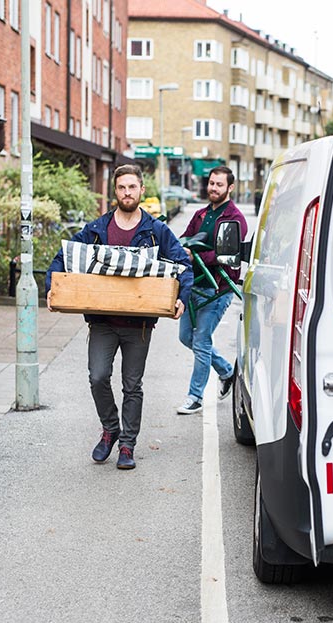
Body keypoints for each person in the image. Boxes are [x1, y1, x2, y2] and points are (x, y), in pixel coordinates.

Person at [46, 165, 192, 470]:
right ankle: (110, 428)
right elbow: (63, 256)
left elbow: (183, 264)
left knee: (132, 385)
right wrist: (52, 287)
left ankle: (127, 445)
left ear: (141, 190)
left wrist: (181, 297)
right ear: (116, 191)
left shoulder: (156, 231)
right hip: (102, 321)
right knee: (98, 376)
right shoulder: (97, 229)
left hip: (138, 325)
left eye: (132, 187)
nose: (127, 192)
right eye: (122, 187)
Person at [176, 166, 248, 415]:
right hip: (194, 286)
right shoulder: (200, 214)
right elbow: (184, 239)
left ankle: (195, 396)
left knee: (202, 341)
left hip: (218, 288)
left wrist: (195, 254)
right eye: (211, 183)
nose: (213, 188)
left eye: (219, 184)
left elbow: (226, 254)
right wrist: (180, 249)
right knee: (186, 338)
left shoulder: (235, 219)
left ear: (230, 188)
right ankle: (228, 372)